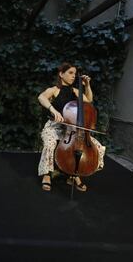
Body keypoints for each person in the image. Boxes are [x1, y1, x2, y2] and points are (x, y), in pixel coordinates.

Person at [37, 62, 106, 192]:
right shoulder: (54, 90)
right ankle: (47, 174)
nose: (73, 76)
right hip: (55, 127)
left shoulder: (75, 91)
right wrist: (54, 110)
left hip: (74, 130)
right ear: (61, 74)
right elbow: (41, 97)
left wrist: (87, 86)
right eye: (70, 73)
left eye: (75, 73)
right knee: (50, 144)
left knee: (97, 147)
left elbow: (89, 102)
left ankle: (74, 175)